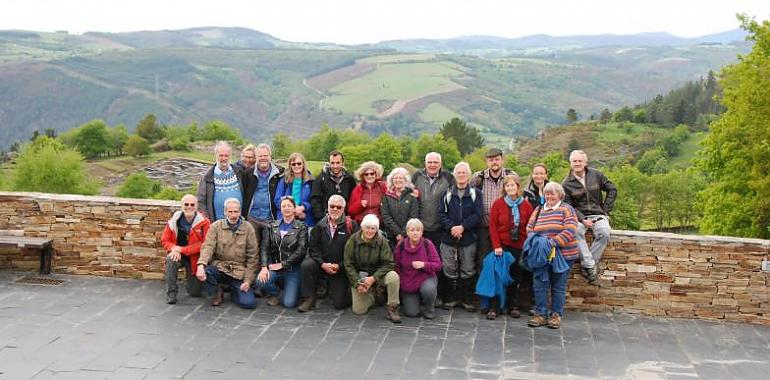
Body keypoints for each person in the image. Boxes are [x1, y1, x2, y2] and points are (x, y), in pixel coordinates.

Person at [525, 182, 580, 329]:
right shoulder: (538, 210)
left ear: (560, 195)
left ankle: (556, 315)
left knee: (558, 286)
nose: (549, 196)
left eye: (552, 193)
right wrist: (539, 241)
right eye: (547, 193)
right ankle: (541, 314)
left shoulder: (567, 209)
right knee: (539, 285)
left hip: (563, 254)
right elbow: (529, 228)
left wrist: (552, 242)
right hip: (541, 254)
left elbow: (570, 230)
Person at [561, 150, 617, 285]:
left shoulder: (596, 175)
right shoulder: (566, 183)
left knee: (604, 232)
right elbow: (568, 206)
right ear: (570, 163)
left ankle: (588, 264)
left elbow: (612, 189)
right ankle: (590, 266)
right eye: (574, 161)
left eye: (580, 161)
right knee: (575, 231)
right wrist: (582, 219)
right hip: (578, 216)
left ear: (585, 162)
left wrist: (605, 208)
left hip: (598, 214)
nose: (577, 163)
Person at [196, 198, 259, 309]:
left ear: (240, 212)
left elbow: (252, 258)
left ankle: (234, 290)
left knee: (248, 303)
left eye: (236, 211)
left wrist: (248, 281)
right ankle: (217, 291)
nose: (233, 215)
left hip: (238, 272)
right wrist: (201, 264)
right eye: (230, 212)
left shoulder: (248, 228)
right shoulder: (216, 226)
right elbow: (208, 247)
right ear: (225, 212)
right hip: (220, 267)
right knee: (206, 272)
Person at [298, 195, 357, 312]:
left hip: (340, 268)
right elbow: (313, 248)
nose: (335, 209)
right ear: (328, 207)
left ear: (343, 209)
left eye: (338, 207)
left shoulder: (351, 226)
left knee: (339, 304)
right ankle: (309, 298)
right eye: (332, 206)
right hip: (323, 264)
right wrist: (322, 264)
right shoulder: (320, 225)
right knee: (306, 265)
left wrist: (339, 266)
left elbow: (355, 252)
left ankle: (346, 290)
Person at [486, 174, 533, 319]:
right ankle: (494, 307)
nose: (510, 188)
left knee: (515, 277)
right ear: (504, 188)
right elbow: (493, 227)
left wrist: (528, 244)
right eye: (507, 185)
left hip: (520, 246)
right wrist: (496, 246)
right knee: (498, 276)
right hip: (502, 246)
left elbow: (530, 226)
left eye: (513, 185)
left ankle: (513, 306)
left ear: (518, 186)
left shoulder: (526, 205)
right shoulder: (498, 204)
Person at [439, 161, 483, 312]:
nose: (461, 175)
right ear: (454, 175)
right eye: (459, 172)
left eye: (464, 172)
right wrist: (452, 227)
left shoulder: (476, 194)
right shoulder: (447, 193)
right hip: (448, 237)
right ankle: (452, 298)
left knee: (468, 268)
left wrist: (463, 226)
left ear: (469, 175)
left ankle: (467, 299)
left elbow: (478, 215)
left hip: (469, 237)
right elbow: (442, 214)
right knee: (449, 267)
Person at [411, 152, 453, 304]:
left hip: (439, 228)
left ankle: (437, 295)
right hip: (420, 229)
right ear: (425, 163)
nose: (433, 165)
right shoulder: (416, 177)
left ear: (440, 164)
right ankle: (418, 294)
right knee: (419, 261)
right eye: (430, 162)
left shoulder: (448, 178)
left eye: (436, 162)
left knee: (437, 263)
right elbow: (410, 196)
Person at [343, 214, 401, 323]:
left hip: (378, 275)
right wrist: (357, 283)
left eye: (373, 228)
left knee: (393, 277)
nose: (370, 231)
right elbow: (348, 264)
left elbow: (389, 263)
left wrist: (374, 278)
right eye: (367, 228)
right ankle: (373, 296)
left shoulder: (382, 241)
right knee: (359, 310)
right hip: (360, 276)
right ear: (362, 227)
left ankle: (392, 308)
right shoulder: (353, 240)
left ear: (377, 229)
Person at [255, 196, 308, 308]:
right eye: (284, 206)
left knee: (289, 304)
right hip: (275, 266)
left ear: (294, 209)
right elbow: (264, 248)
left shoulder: (302, 227)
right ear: (280, 208)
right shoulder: (272, 226)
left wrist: (284, 264)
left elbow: (301, 250)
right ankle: (275, 293)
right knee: (260, 281)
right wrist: (264, 267)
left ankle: (291, 290)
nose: (286, 208)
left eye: (289, 206)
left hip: (292, 268)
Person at [471, 148, 516, 270]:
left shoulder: (511, 176)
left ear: (502, 160)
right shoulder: (478, 178)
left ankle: (502, 288)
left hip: (504, 229)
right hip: (483, 227)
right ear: (486, 161)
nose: (494, 162)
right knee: (483, 260)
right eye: (491, 160)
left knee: (504, 261)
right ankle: (484, 288)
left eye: (497, 159)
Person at [161, 194, 211, 304]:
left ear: (197, 206)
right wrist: (174, 248)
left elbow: (205, 244)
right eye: (186, 204)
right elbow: (165, 240)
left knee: (195, 293)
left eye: (192, 204)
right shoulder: (174, 221)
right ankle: (171, 293)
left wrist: (181, 250)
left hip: (196, 258)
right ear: (181, 206)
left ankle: (194, 282)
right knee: (170, 260)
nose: (189, 207)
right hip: (178, 255)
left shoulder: (204, 222)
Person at [394, 219, 442, 319]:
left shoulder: (427, 244)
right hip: (408, 281)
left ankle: (429, 307)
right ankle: (414, 300)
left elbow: (438, 265)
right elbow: (396, 266)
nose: (415, 232)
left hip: (426, 278)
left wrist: (424, 264)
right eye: (412, 230)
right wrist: (401, 281)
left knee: (428, 290)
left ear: (422, 232)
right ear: (407, 232)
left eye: (418, 230)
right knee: (412, 313)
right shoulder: (401, 245)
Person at [243, 143, 285, 235]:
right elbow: (244, 195)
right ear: (256, 158)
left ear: (270, 156)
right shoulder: (248, 174)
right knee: (252, 247)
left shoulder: (279, 174)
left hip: (270, 218)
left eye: (265, 155)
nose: (263, 158)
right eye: (260, 156)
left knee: (269, 247)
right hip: (252, 218)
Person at [197, 141, 245, 221]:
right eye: (221, 155)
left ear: (230, 156)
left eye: (226, 156)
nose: (224, 158)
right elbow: (201, 202)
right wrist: (207, 220)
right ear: (216, 155)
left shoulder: (239, 172)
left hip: (238, 222)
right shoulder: (207, 177)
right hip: (217, 224)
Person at [310, 150, 356, 221]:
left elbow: (353, 199)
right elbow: (315, 199)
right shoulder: (321, 179)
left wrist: (350, 216)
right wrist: (321, 217)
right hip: (325, 220)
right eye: (332, 163)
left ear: (343, 163)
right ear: (329, 163)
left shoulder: (349, 179)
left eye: (338, 163)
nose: (335, 166)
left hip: (345, 220)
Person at [274, 152, 315, 227]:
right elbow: (277, 200)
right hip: (285, 219)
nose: (296, 166)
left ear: (303, 164)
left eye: (299, 163)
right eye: (293, 164)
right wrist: (292, 210)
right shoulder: (284, 181)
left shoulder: (311, 181)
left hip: (305, 218)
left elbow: (313, 200)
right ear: (290, 166)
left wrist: (303, 207)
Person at [380, 167, 419, 248]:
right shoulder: (386, 196)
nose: (398, 180)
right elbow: (386, 216)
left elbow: (413, 216)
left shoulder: (412, 196)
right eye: (395, 178)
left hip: (408, 235)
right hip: (390, 235)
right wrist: (397, 233)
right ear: (391, 180)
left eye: (401, 178)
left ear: (406, 180)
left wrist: (403, 233)